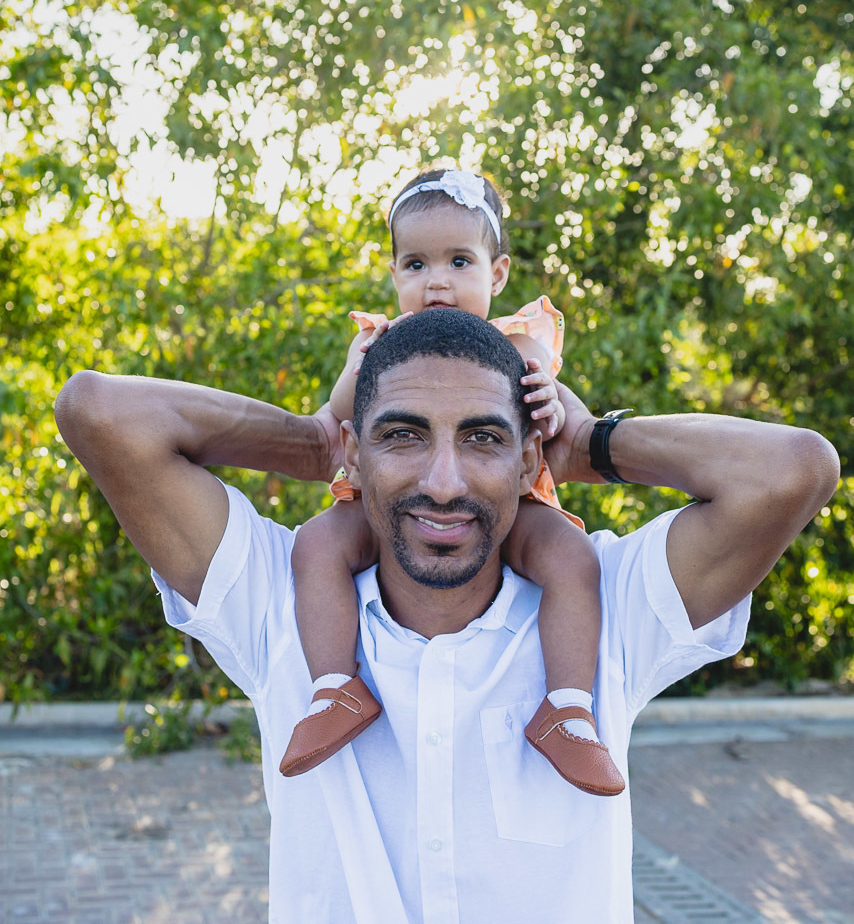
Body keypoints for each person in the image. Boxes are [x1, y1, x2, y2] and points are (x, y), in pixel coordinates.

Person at [54, 307, 839, 923]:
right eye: (402, 435)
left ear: (528, 458)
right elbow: (101, 411)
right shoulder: (280, 601)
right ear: (357, 455)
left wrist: (589, 443)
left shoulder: (606, 602)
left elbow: (792, 469)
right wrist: (311, 443)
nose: (442, 479)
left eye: (483, 438)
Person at [281, 168, 621, 796]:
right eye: (415, 264)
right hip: (384, 502)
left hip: (511, 501)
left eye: (458, 261)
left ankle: (569, 707)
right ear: (393, 275)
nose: (435, 280)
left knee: (572, 558)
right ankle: (333, 687)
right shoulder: (382, 340)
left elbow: (562, 412)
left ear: (496, 273)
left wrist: (551, 396)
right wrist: (361, 366)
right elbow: (339, 409)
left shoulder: (520, 341)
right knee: (315, 546)